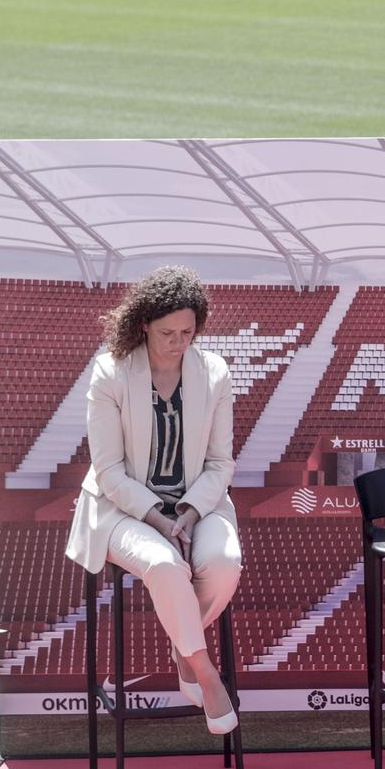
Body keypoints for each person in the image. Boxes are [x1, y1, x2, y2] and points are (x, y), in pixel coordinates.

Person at [64, 266, 242, 736]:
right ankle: (201, 666)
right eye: (167, 332)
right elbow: (108, 472)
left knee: (224, 564)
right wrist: (159, 520)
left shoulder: (215, 372)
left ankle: (182, 643)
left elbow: (221, 463)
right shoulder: (110, 373)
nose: (178, 342)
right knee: (165, 566)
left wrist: (185, 512)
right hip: (123, 506)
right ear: (143, 324)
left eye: (187, 332)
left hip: (198, 504)